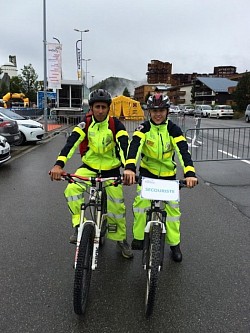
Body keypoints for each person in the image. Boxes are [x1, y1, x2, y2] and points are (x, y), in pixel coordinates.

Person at [49, 89, 133, 259]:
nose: (100, 110)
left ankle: (120, 240)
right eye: (97, 107)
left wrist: (129, 168)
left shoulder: (116, 125)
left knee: (117, 206)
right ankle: (79, 226)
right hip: (89, 167)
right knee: (72, 188)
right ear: (92, 108)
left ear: (108, 108)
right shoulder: (85, 124)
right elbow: (71, 143)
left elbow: (125, 147)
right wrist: (58, 165)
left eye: (103, 107)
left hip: (111, 170)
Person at [123, 93, 198, 262]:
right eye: (154, 110)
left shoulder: (173, 129)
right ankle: (138, 238)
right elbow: (134, 147)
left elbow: (182, 151)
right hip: (147, 176)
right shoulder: (143, 128)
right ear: (149, 112)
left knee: (172, 211)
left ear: (167, 111)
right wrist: (129, 168)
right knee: (140, 205)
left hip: (168, 178)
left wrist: (190, 173)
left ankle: (174, 245)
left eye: (162, 110)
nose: (158, 114)